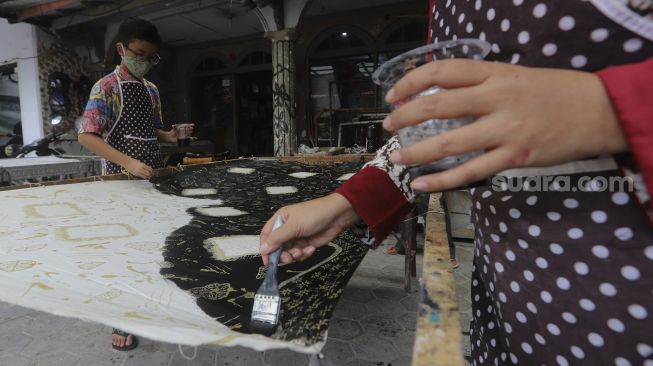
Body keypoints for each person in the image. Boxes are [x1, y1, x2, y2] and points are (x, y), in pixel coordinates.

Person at [260, 1, 652, 365]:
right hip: (503, 299)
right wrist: (346, 204)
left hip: (625, 294)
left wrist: (606, 107)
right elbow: (445, 133)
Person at [78, 19, 188, 351]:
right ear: (122, 49)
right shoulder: (105, 87)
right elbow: (86, 135)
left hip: (149, 177)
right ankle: (121, 318)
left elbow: (149, 128)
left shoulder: (150, 89)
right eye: (139, 53)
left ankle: (152, 303)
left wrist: (167, 135)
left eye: (151, 56)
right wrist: (127, 162)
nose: (144, 60)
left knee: (153, 245)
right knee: (122, 251)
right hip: (118, 181)